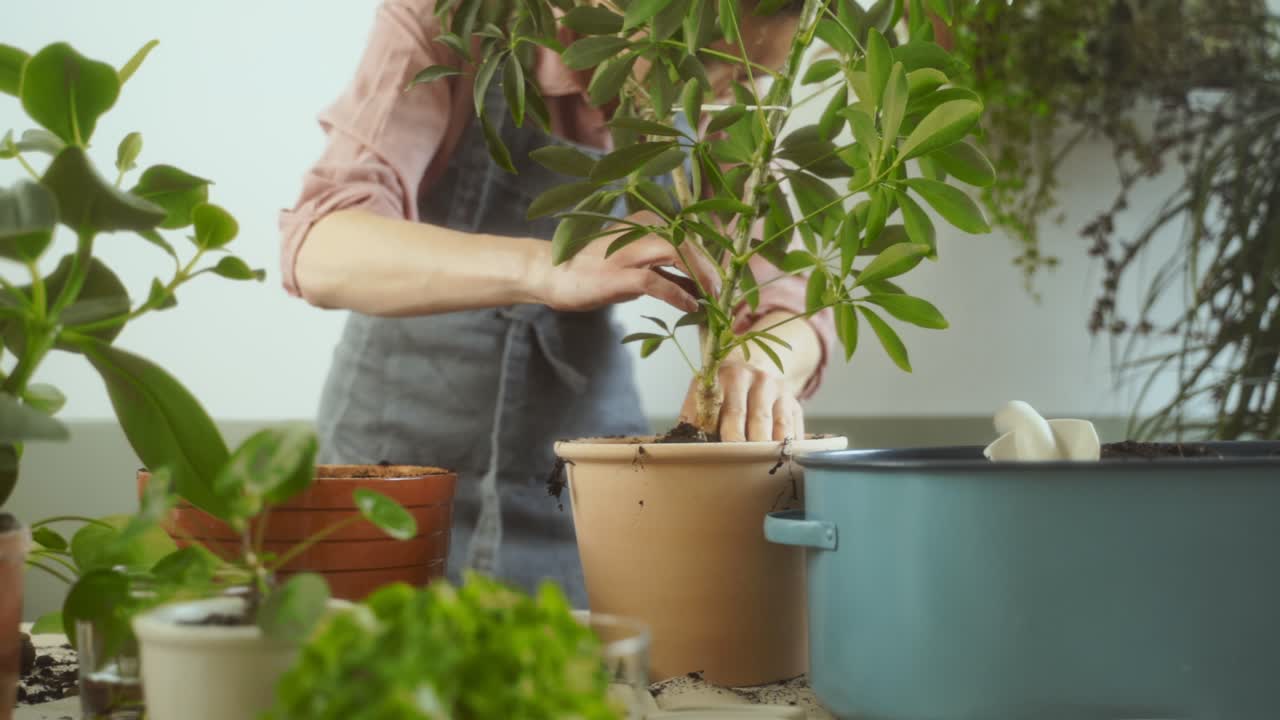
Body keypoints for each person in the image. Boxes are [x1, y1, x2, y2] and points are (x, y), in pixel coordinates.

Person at [279, 0, 835, 605]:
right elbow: (321, 246)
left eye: (753, 77)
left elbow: (785, 292)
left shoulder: (724, 103)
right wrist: (547, 265)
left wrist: (761, 364)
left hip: (580, 476)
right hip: (396, 468)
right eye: (711, 64)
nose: (724, 94)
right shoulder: (454, 16)